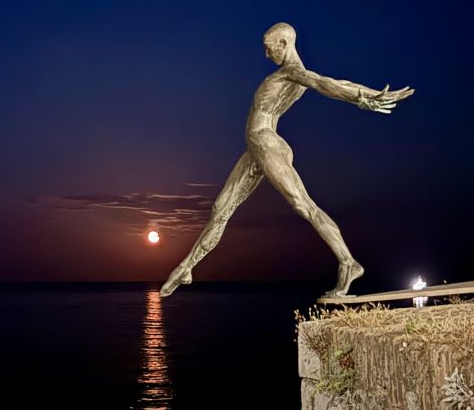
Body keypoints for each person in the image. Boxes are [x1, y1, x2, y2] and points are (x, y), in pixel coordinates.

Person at [160, 22, 413, 298]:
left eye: (269, 49)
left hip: (267, 145)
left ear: (283, 44)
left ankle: (348, 262)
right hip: (256, 149)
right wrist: (362, 94)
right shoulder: (291, 74)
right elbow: (334, 81)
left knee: (302, 204)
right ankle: (187, 267)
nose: (267, 55)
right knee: (221, 207)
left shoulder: (292, 73)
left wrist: (364, 98)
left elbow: (327, 84)